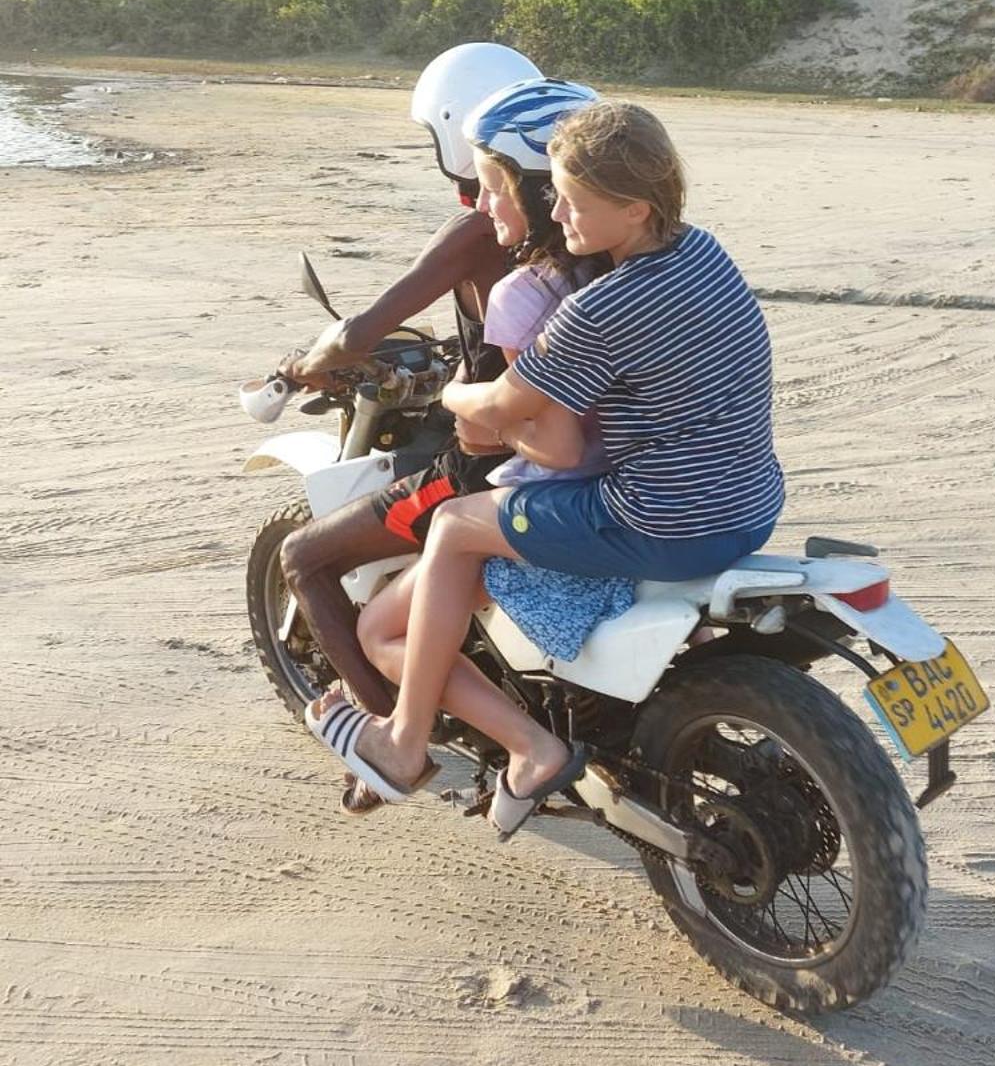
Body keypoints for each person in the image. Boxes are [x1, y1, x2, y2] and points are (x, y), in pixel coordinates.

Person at [304, 99, 785, 838]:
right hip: (748, 503)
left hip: (657, 519)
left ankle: (406, 744)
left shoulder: (602, 309)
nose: (556, 211)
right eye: (554, 191)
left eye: (574, 199)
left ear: (634, 208)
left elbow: (504, 410)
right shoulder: (705, 254)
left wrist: (447, 389)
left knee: (458, 526)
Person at [275, 43, 566, 804]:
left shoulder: (480, 231)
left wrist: (311, 362)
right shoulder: (592, 231)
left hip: (497, 461)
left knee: (306, 558)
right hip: (589, 453)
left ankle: (389, 738)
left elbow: (361, 331)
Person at [340, 79, 610, 787]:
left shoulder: (527, 292)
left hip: (565, 507)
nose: (482, 202)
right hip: (656, 490)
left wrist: (474, 408)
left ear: (543, 191)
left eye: (493, 186)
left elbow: (549, 445)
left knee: (381, 626)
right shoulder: (642, 269)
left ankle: (498, 744)